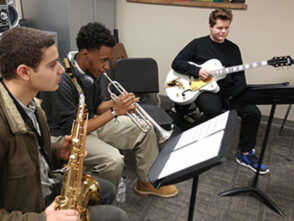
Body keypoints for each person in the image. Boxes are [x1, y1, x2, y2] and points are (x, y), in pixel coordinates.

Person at [0, 26, 128, 221]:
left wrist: (56, 150)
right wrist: (43, 219)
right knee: (117, 216)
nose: (61, 69)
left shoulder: (33, 105)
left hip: (43, 185)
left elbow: (28, 152)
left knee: (107, 190)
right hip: (29, 211)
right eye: (52, 65)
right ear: (24, 72)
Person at [39, 22, 178, 197]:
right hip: (66, 136)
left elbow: (97, 106)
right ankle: (98, 201)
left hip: (90, 122)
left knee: (146, 128)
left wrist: (117, 103)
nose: (107, 67)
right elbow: (73, 130)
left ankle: (146, 181)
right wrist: (114, 112)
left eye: (108, 60)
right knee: (113, 161)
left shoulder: (92, 72)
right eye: (103, 60)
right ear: (85, 53)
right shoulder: (62, 80)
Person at [171, 9, 269, 174]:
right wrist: (198, 71)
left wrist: (241, 94)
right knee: (213, 111)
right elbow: (177, 63)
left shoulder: (233, 49)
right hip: (206, 90)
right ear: (210, 26)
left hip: (230, 91)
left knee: (253, 112)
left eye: (226, 28)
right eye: (219, 28)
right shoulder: (197, 44)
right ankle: (192, 143)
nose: (223, 31)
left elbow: (239, 74)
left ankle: (245, 153)